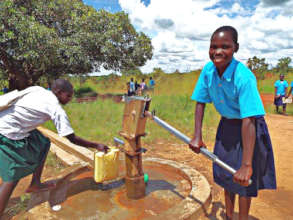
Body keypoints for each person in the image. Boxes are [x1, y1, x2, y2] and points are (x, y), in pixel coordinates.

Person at [189, 26, 276, 220]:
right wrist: (197, 135)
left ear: (235, 48)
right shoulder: (208, 70)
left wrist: (246, 164)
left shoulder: (243, 77)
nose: (218, 51)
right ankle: (229, 216)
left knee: (243, 180)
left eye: (225, 46)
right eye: (213, 46)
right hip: (227, 126)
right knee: (228, 176)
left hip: (249, 129)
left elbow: (249, 119)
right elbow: (200, 102)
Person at [0, 79, 108, 217]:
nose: (69, 99)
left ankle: (35, 184)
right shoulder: (55, 108)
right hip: (6, 131)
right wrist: (96, 145)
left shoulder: (38, 90)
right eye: (68, 96)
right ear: (58, 92)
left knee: (42, 142)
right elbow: (71, 138)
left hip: (11, 124)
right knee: (13, 175)